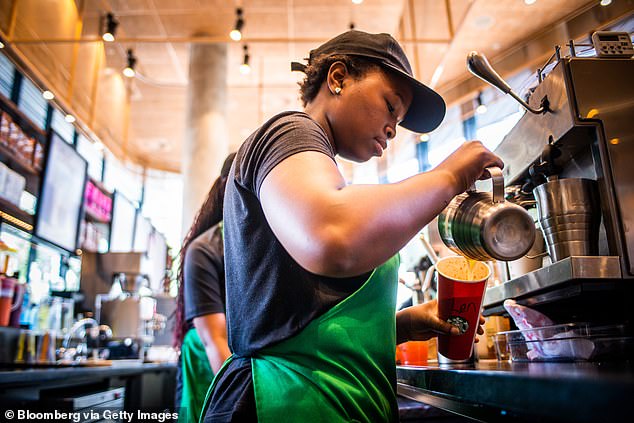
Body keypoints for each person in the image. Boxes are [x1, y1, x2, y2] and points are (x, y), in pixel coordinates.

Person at [202, 30, 502, 422]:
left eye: (399, 120)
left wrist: (404, 325)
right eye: (390, 107)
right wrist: (448, 177)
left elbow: (298, 324)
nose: (394, 129)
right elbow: (331, 235)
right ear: (338, 78)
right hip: (286, 403)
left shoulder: (323, 171)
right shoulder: (291, 131)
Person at [173, 153, 235, 423]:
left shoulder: (270, 241)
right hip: (206, 365)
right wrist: (241, 404)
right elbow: (215, 340)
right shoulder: (206, 249)